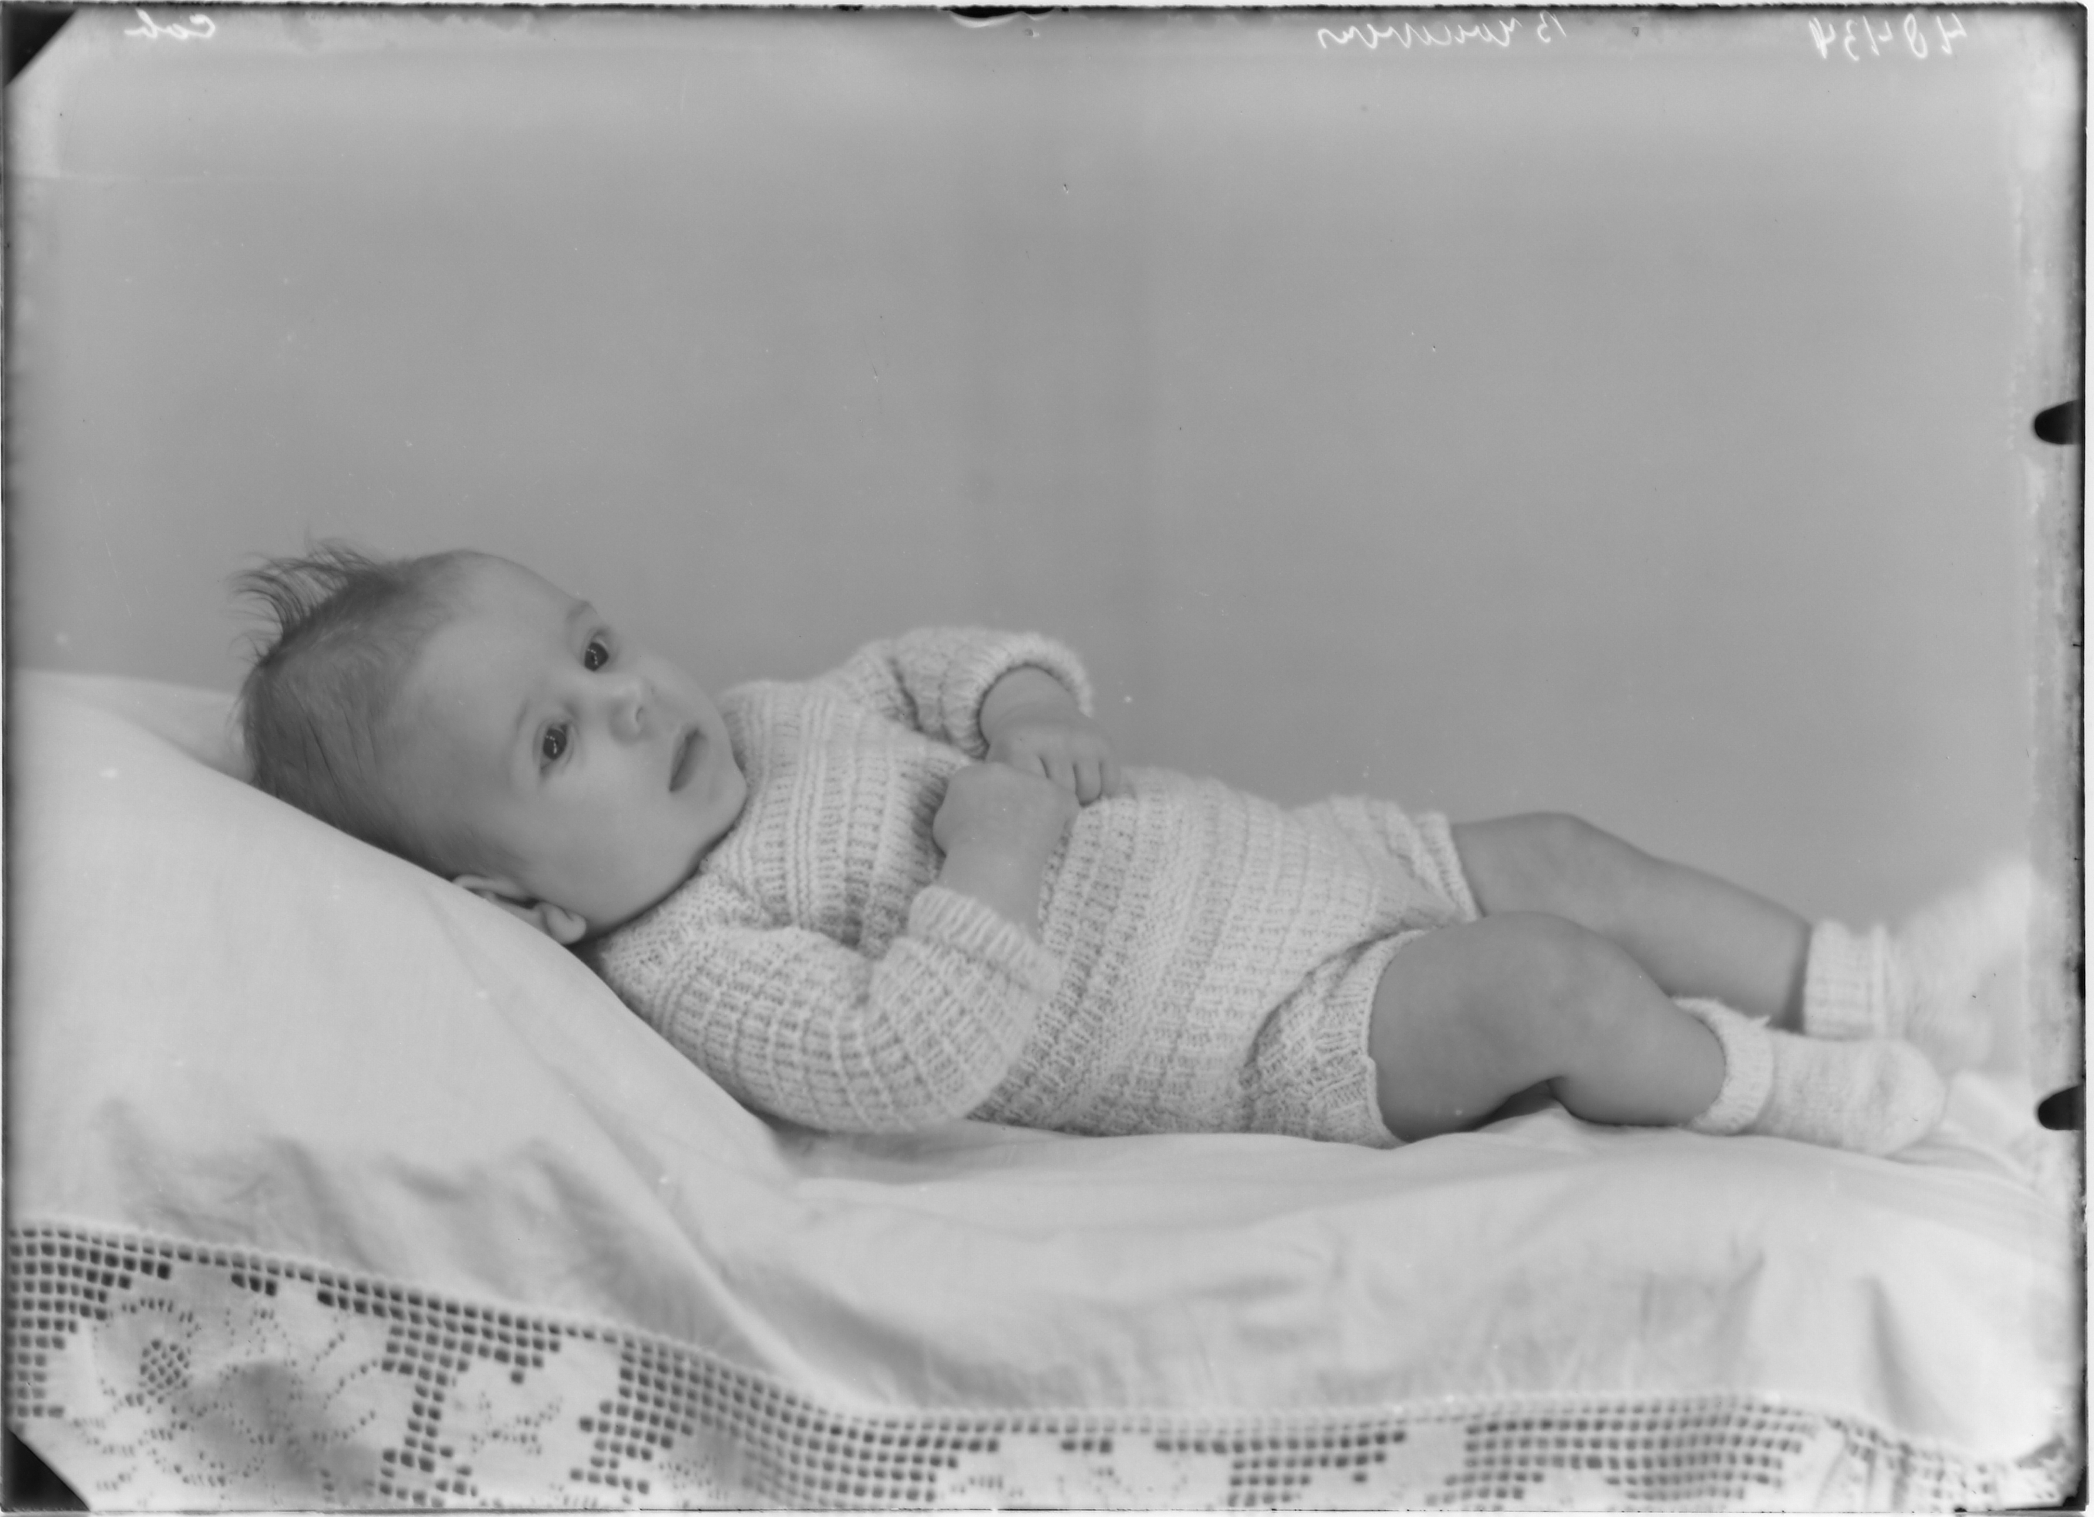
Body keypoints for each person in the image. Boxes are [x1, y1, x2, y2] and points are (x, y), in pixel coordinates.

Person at [235, 543, 2029, 1154]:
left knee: (1564, 848)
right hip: (1277, 1027)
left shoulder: (779, 717)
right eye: (555, 740)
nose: (624, 700)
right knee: (1550, 984)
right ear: (512, 899)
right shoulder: (693, 953)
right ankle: (1808, 1092)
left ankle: (1880, 980)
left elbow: (936, 658)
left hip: (1304, 856)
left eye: (595, 646)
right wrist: (995, 855)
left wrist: (1018, 705)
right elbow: (899, 1062)